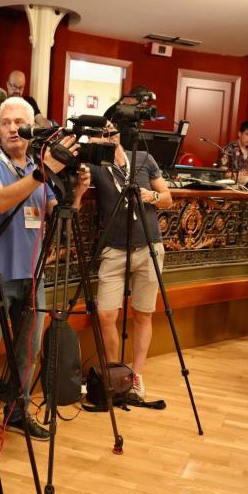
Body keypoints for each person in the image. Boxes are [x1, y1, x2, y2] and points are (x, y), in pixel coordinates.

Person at [0, 96, 89, 458]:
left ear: (32, 128)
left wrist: (75, 193)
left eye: (20, 122)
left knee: (28, 352)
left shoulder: (36, 165)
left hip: (34, 276)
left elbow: (54, 214)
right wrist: (41, 172)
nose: (14, 128)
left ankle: (16, 411)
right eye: (6, 123)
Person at [87, 122, 172, 399]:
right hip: (114, 249)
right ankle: (115, 373)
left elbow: (168, 198)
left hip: (148, 246)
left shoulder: (144, 159)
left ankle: (136, 375)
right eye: (102, 133)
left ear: (119, 133)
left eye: (111, 131)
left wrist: (153, 196)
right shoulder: (97, 165)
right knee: (105, 315)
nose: (108, 136)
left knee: (143, 314)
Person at [220, 120, 248, 187]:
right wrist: (244, 173)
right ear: (240, 134)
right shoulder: (229, 149)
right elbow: (223, 173)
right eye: (247, 134)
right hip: (231, 185)